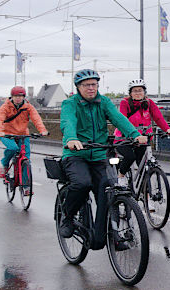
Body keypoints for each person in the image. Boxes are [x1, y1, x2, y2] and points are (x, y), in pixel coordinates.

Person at [58, 69, 147, 241]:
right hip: (76, 154)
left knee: (109, 190)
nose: (91, 88)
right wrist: (71, 138)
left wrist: (134, 134)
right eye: (86, 85)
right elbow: (68, 121)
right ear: (78, 87)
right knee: (82, 184)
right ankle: (67, 217)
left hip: (99, 154)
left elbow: (118, 118)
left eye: (94, 84)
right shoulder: (70, 104)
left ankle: (112, 235)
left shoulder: (104, 102)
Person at [114, 79, 170, 182]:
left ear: (144, 92)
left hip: (143, 139)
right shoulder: (125, 103)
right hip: (124, 138)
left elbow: (158, 117)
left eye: (140, 90)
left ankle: (144, 189)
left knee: (142, 163)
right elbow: (122, 121)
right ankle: (121, 176)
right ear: (130, 93)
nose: (138, 93)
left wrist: (167, 128)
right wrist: (133, 134)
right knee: (130, 157)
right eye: (135, 91)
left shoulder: (149, 103)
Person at [0, 86, 49, 190]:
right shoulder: (5, 107)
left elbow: (36, 119)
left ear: (24, 96)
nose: (18, 98)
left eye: (20, 96)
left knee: (26, 159)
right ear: (12, 96)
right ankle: (5, 165)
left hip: (23, 134)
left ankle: (26, 186)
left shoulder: (28, 107)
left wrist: (42, 130)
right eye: (15, 96)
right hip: (6, 134)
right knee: (13, 148)